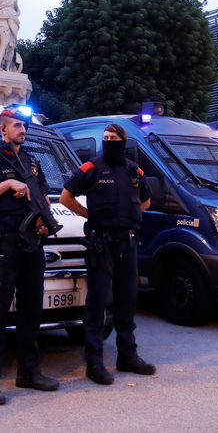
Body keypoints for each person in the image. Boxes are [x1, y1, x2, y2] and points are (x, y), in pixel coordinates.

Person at [0, 104, 59, 405]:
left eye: (25, 126)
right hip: (5, 244)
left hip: (33, 244)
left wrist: (44, 220)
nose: (22, 130)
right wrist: (7, 184)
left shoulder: (32, 161)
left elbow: (44, 194)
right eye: (17, 125)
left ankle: (29, 373)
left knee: (32, 312)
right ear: (2, 128)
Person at [59, 123, 155, 385]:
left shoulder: (134, 169)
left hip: (128, 242)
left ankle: (127, 356)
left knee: (127, 302)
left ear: (123, 141)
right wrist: (90, 215)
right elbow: (65, 197)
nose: (109, 140)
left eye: (113, 137)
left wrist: (131, 215)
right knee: (97, 303)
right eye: (106, 138)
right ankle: (95, 363)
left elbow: (146, 200)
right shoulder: (91, 167)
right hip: (101, 243)